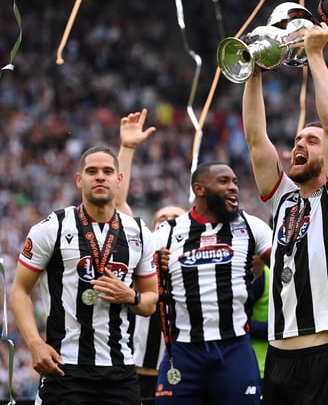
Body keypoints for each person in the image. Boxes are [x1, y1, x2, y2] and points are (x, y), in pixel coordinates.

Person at [242, 22, 328, 405]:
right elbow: (256, 139)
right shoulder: (284, 200)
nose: (300, 144)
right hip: (277, 356)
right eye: (297, 140)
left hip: (322, 355)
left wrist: (314, 55)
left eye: (311, 141)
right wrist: (253, 72)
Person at [8, 145, 159, 405]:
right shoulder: (52, 227)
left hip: (120, 369)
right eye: (92, 171)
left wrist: (131, 296)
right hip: (65, 366)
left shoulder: (139, 233)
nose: (100, 176)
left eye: (107, 171)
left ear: (118, 179)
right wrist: (35, 344)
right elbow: (19, 291)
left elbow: (150, 301)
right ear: (79, 179)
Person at [151, 161, 272, 405]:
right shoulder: (169, 232)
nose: (233, 188)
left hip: (234, 348)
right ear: (199, 189)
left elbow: (290, 268)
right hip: (184, 350)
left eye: (235, 182)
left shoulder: (251, 227)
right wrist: (155, 267)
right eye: (223, 181)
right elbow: (141, 277)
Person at [115, 108, 186, 403]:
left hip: (180, 367)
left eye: (175, 217)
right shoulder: (142, 244)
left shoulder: (197, 256)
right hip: (132, 365)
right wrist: (127, 149)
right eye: (162, 217)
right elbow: (119, 204)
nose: (168, 221)